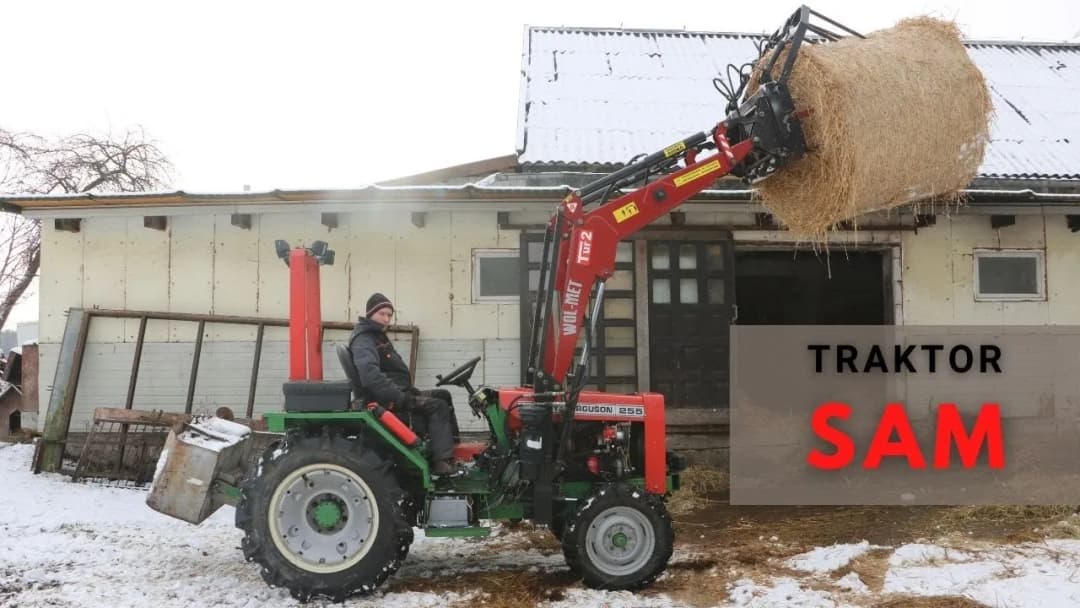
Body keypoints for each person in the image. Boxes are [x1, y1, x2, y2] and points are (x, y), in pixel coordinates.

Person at [349, 292, 461, 476]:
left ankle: (452, 449)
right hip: (387, 400)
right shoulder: (364, 339)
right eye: (382, 314)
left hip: (398, 392)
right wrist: (401, 397)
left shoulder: (376, 336)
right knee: (438, 406)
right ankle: (441, 463)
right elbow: (370, 376)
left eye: (389, 315)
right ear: (370, 314)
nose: (386, 319)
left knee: (443, 395)